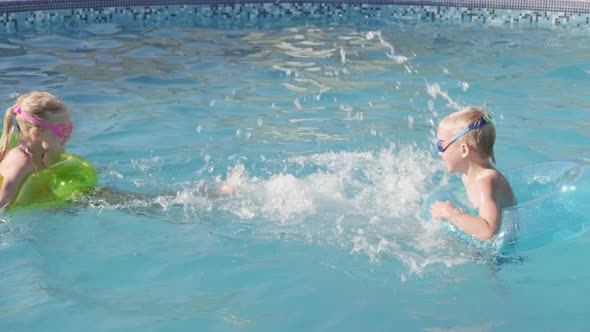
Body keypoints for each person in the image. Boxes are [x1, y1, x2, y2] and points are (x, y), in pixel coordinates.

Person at [430, 106, 516, 241]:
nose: (440, 153)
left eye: (442, 146)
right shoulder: (467, 176)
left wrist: (449, 213)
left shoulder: (485, 182)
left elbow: (489, 231)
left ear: (464, 150)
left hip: (500, 257)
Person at [0, 91, 73, 208]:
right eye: (62, 130)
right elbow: (2, 204)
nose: (68, 135)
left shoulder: (47, 152)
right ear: (37, 134)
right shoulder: (20, 163)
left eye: (70, 128)